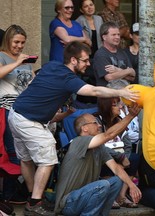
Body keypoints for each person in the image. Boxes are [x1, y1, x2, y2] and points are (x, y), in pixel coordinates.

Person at [8, 41, 139, 216]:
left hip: (16, 113)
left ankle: (34, 198)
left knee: (26, 159)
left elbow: (38, 87)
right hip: (29, 121)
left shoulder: (52, 66)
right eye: (84, 60)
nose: (88, 64)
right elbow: (94, 91)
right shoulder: (68, 79)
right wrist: (121, 92)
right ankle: (34, 203)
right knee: (48, 160)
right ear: (73, 60)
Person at [54, 104, 142, 215]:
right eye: (95, 123)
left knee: (116, 181)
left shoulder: (100, 148)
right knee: (103, 184)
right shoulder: (78, 142)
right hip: (68, 203)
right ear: (84, 128)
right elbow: (108, 135)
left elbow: (116, 169)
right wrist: (130, 116)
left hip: (86, 197)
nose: (99, 125)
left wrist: (132, 185)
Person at [0, 24, 34, 203]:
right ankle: (8, 195)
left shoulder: (25, 60)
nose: (20, 46)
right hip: (7, 110)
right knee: (12, 152)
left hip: (25, 110)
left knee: (25, 153)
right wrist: (18, 62)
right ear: (8, 40)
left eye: (22, 42)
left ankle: (22, 192)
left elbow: (31, 84)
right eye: (16, 42)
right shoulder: (2, 56)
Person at [94, 97, 139, 208]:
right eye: (115, 105)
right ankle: (111, 196)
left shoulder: (119, 121)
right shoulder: (96, 121)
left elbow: (128, 145)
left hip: (120, 157)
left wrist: (125, 158)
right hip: (104, 156)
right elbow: (98, 145)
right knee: (107, 160)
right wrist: (120, 157)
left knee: (135, 158)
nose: (120, 107)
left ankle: (121, 196)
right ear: (106, 107)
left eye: (120, 104)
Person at [74, 0, 104, 108]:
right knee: (88, 79)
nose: (89, 8)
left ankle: (97, 104)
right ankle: (86, 105)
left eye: (91, 5)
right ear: (82, 10)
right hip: (87, 55)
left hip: (99, 55)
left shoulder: (99, 19)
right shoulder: (79, 21)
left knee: (98, 79)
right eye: (86, 6)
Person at [93, 21, 135, 87]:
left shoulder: (122, 53)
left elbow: (132, 77)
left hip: (126, 92)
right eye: (113, 35)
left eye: (118, 34)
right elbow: (109, 77)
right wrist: (128, 71)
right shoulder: (100, 54)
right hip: (109, 94)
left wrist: (117, 70)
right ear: (104, 37)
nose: (117, 37)